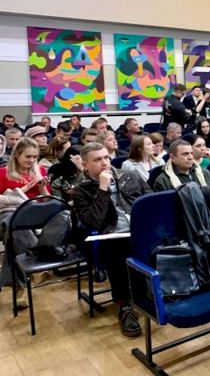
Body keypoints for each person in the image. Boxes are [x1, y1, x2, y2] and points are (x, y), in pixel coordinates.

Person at [71, 143, 152, 337]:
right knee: (118, 251)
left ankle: (156, 292)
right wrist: (103, 189)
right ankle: (125, 306)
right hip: (110, 237)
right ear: (85, 165)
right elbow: (93, 222)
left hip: (140, 230)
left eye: (106, 157)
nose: (104, 163)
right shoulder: (80, 190)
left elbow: (150, 200)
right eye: (97, 160)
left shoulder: (128, 176)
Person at [0, 137, 52, 308]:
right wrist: (23, 190)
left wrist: (42, 187)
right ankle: (38, 264)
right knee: (14, 223)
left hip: (34, 214)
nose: (31, 160)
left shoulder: (41, 171)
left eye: (34, 157)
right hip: (8, 213)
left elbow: (48, 201)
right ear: (17, 155)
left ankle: (19, 288)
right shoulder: (2, 173)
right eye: (27, 156)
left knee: (13, 235)